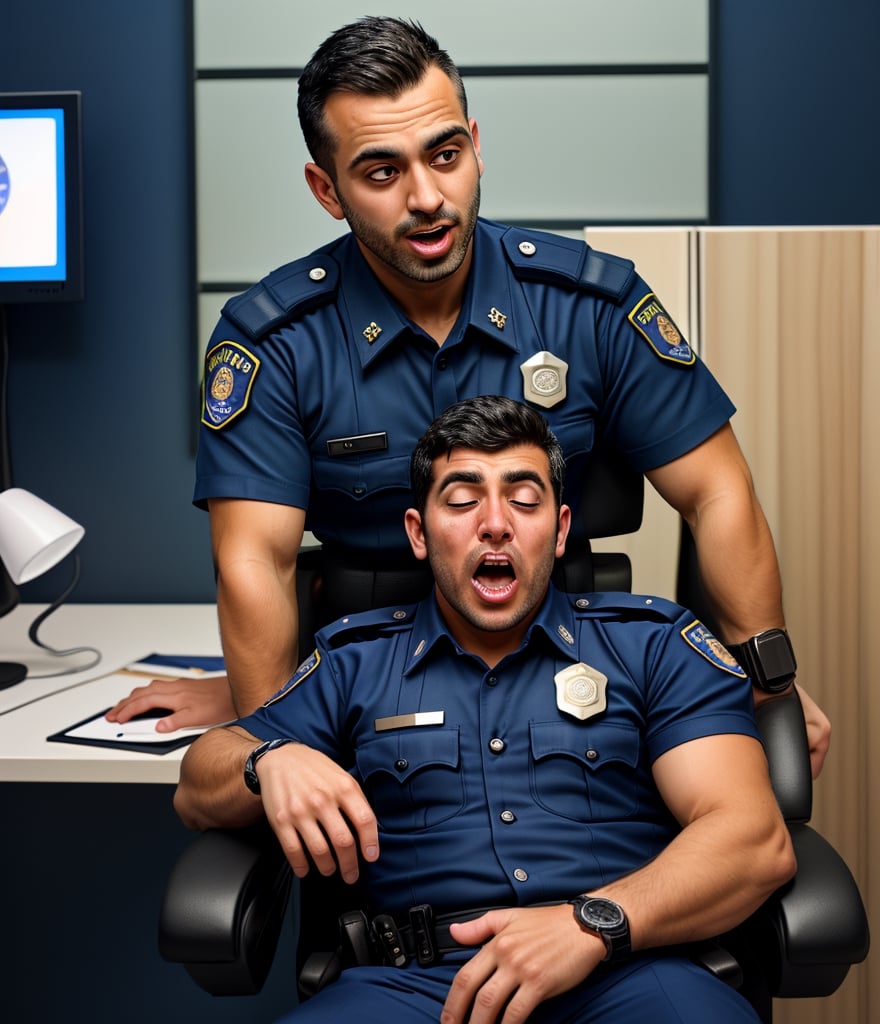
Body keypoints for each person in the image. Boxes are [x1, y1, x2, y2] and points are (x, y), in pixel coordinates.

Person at [107, 15, 830, 777]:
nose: (427, 197)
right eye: (382, 173)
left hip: (577, 680)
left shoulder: (589, 303)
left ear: (476, 144)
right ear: (327, 189)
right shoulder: (273, 343)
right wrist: (272, 735)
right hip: (372, 704)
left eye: (445, 155)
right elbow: (254, 562)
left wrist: (764, 679)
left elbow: (718, 490)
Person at [174, 395, 796, 1024]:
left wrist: (589, 925)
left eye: (524, 500)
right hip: (409, 989)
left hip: (627, 972)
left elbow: (753, 841)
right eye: (463, 499)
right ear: (419, 533)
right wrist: (269, 760)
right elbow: (200, 781)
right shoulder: (352, 662)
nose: (495, 524)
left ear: (558, 531)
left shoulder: (653, 645)